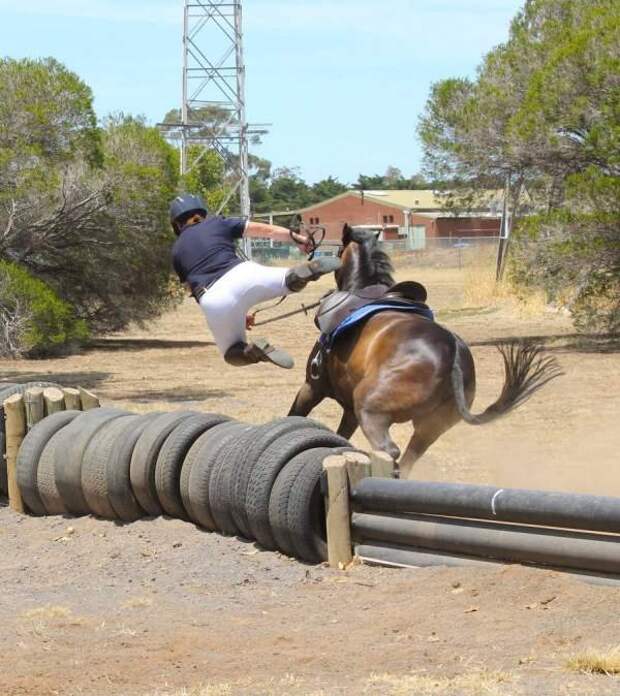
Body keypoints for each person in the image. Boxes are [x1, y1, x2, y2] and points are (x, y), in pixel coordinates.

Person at [170, 193, 340, 369]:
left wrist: (235, 315)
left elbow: (192, 290)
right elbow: (265, 231)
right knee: (288, 280)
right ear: (201, 213)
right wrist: (298, 239)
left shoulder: (176, 252)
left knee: (232, 353)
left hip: (212, 297)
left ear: (176, 224)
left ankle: (255, 351)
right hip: (243, 274)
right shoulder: (217, 222)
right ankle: (303, 273)